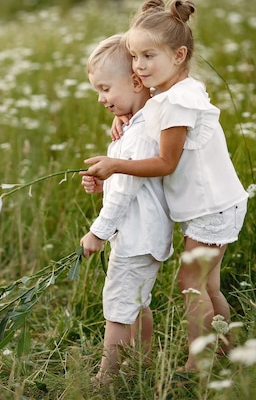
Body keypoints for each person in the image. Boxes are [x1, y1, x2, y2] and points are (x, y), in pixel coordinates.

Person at [80, 0, 248, 371]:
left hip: (211, 207)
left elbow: (165, 162)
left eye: (148, 57)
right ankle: (226, 351)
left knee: (191, 284)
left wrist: (116, 164)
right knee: (207, 285)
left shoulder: (175, 104)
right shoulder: (172, 92)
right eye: (135, 58)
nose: (139, 68)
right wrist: (125, 118)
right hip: (212, 203)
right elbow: (146, 110)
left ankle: (198, 364)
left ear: (178, 55)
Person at [79, 33, 173, 382]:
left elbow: (125, 191)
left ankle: (107, 377)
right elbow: (128, 182)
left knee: (118, 307)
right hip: (144, 233)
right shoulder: (136, 125)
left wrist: (97, 233)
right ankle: (144, 363)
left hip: (135, 237)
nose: (101, 99)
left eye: (105, 88)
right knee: (137, 301)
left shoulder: (138, 132)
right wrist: (103, 182)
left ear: (136, 81)